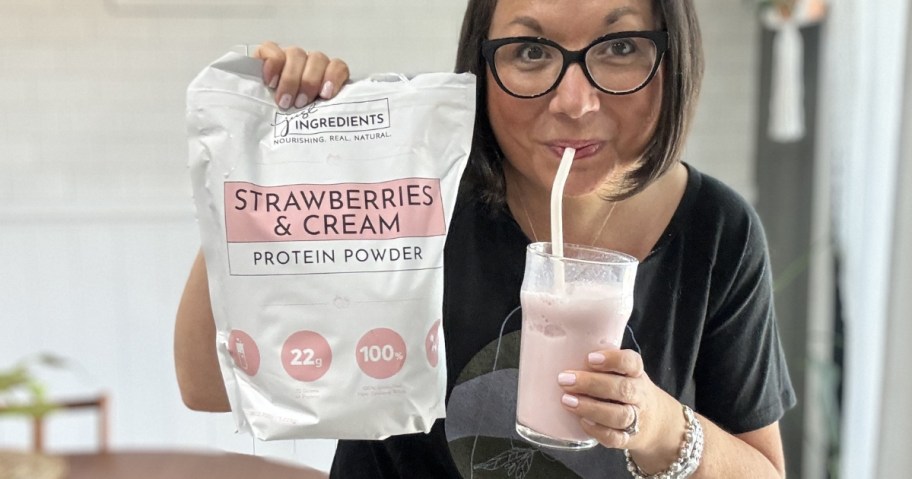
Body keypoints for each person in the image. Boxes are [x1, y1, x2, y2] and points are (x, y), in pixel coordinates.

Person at [175, 0, 797, 477]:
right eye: (530, 52)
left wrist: (662, 428)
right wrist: (274, 166)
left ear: (673, 55)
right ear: (483, 61)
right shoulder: (413, 195)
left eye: (622, 46)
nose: (575, 102)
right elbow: (205, 382)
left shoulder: (716, 230)